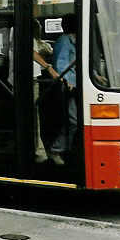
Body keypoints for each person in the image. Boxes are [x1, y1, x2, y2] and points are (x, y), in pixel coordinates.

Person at [32, 19, 61, 163]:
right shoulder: (23, 30)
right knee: (33, 117)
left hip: (33, 78)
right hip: (29, 80)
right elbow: (32, 52)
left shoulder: (35, 39)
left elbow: (42, 47)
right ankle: (40, 153)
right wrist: (49, 67)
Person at [50, 14, 77, 165]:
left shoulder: (78, 40)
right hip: (68, 87)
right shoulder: (64, 41)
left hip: (80, 86)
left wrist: (96, 76)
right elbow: (61, 65)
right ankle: (57, 149)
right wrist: (67, 81)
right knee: (73, 121)